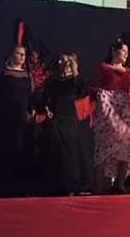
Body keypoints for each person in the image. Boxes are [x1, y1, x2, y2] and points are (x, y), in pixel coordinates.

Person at [90, 39, 130, 194]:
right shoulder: (104, 68)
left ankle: (120, 182)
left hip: (123, 108)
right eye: (123, 51)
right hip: (108, 107)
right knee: (105, 145)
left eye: (127, 53)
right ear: (113, 51)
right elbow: (93, 86)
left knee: (128, 141)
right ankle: (100, 184)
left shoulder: (128, 71)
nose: (126, 55)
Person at [0, 45, 34, 196]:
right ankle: (2, 188)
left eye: (23, 55)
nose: (21, 57)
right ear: (12, 54)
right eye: (18, 54)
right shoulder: (3, 72)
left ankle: (18, 188)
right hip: (4, 116)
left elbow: (31, 96)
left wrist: (31, 110)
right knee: (4, 149)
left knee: (20, 150)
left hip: (21, 118)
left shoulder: (28, 74)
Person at [43, 53, 92, 195]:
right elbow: (47, 98)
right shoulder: (54, 80)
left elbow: (83, 92)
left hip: (71, 117)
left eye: (64, 60)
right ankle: (58, 185)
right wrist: (47, 109)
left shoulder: (77, 80)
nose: (61, 62)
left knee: (71, 151)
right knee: (58, 149)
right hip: (57, 117)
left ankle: (73, 185)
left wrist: (75, 69)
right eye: (59, 60)